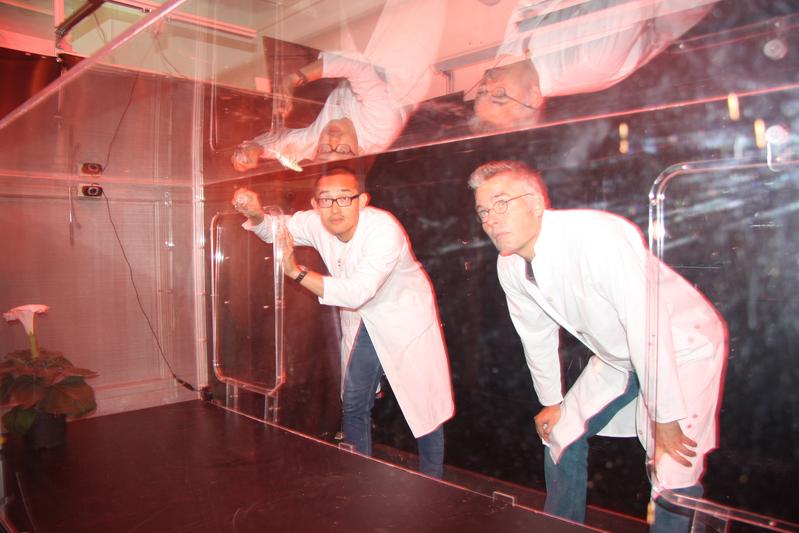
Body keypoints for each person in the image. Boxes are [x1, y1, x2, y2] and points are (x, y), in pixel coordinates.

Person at [468, 160, 726, 531]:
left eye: (502, 203)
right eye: (483, 212)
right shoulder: (509, 265)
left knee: (672, 468)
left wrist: (665, 417)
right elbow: (536, 334)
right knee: (560, 433)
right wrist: (551, 402)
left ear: (537, 203)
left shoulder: (597, 236)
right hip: (618, 355)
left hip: (681, 346)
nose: (491, 218)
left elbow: (645, 326)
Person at [232, 167, 455, 478]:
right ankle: (356, 476)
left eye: (344, 198)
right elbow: (276, 228)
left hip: (401, 317)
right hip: (362, 319)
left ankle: (435, 482)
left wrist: (297, 273)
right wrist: (256, 215)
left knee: (424, 408)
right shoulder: (318, 221)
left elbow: (358, 292)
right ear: (315, 204)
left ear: (362, 201)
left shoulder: (383, 230)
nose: (335, 208)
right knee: (353, 400)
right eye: (326, 200)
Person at [232, 0, 447, 171]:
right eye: (341, 149)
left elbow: (284, 143)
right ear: (359, 150)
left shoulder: (320, 140)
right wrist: (292, 79)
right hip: (402, 51)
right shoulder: (380, 127)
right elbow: (359, 68)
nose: (332, 139)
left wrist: (256, 149)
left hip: (362, 45)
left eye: (325, 148)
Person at [472, 0, 718, 131]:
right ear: (534, 97)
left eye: (481, 92)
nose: (488, 83)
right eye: (499, 95)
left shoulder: (510, 59)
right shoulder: (590, 62)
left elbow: (529, 5)